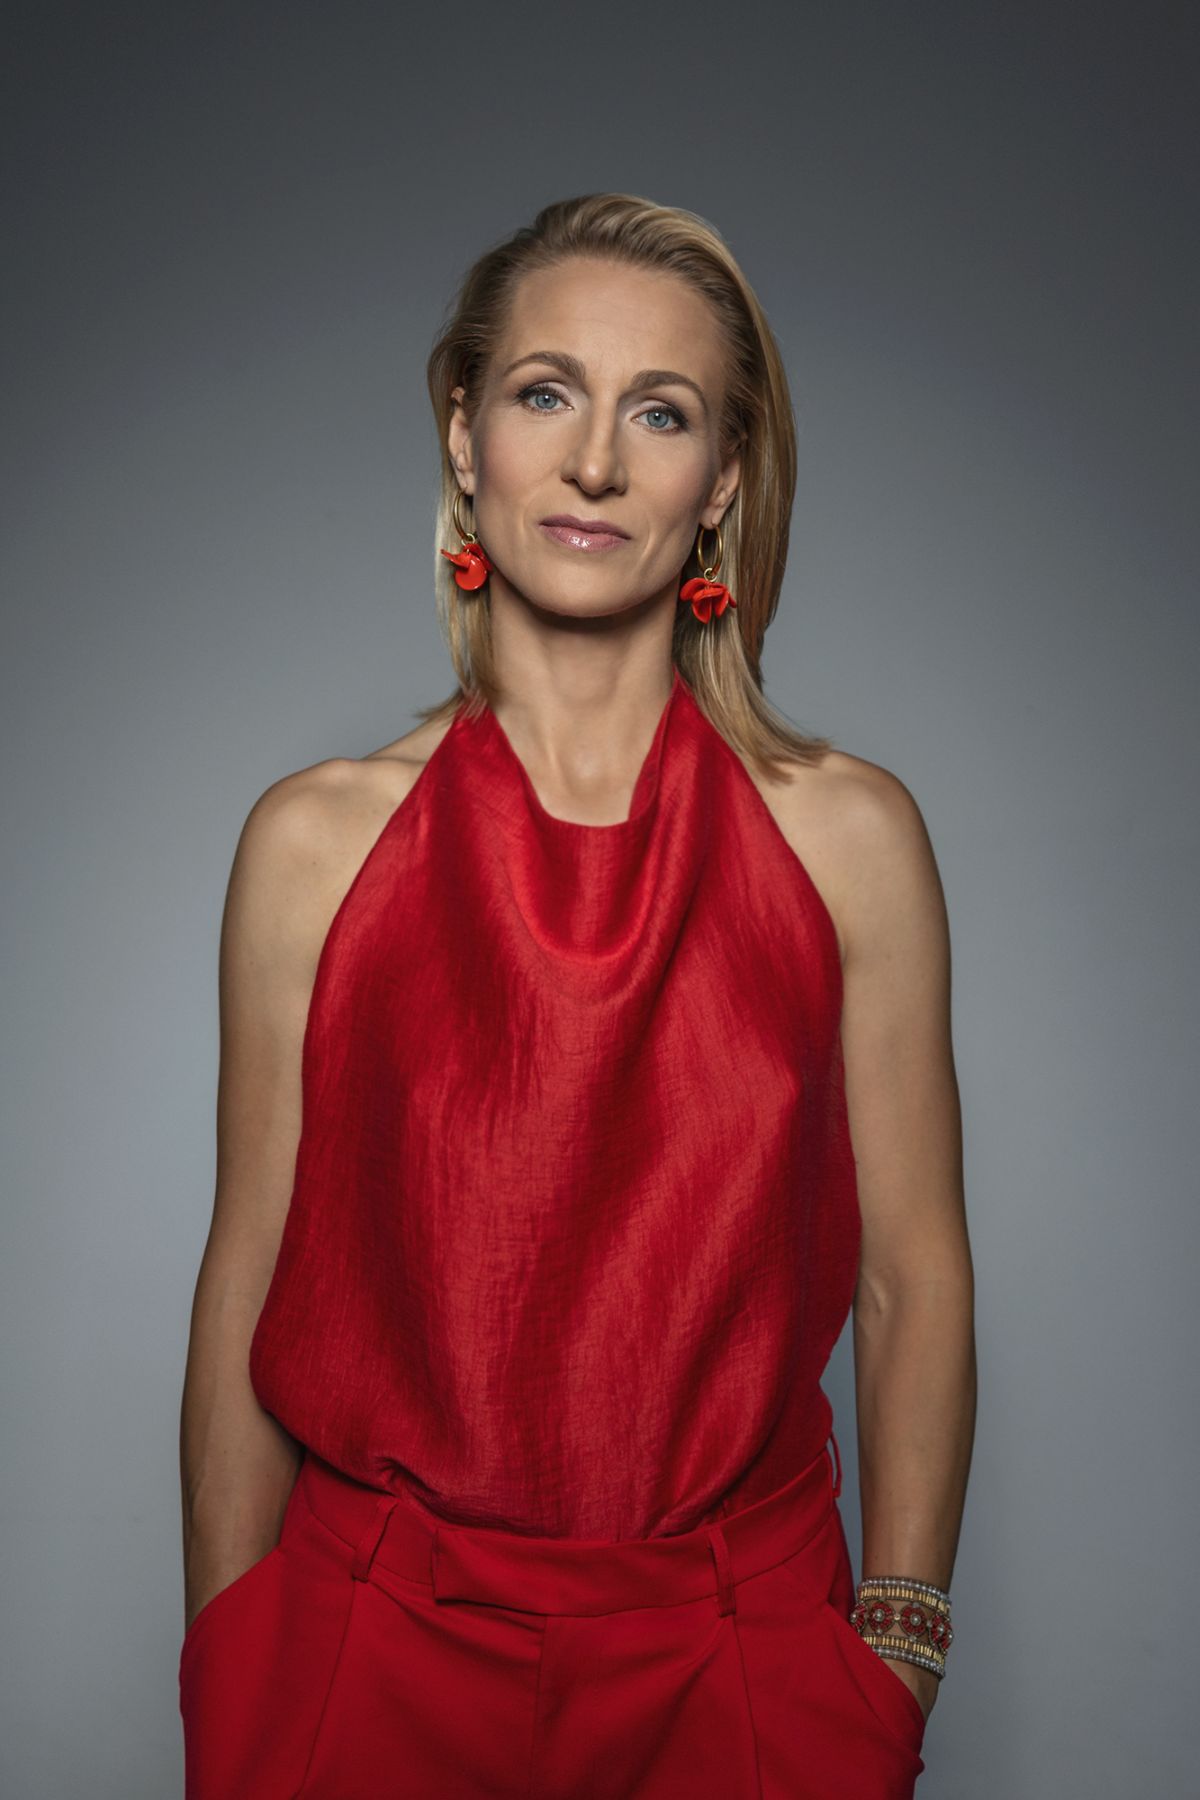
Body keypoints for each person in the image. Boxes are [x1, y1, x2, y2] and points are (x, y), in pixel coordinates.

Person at [177, 192, 976, 1799]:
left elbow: (912, 1277)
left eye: (660, 413)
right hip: (373, 1648)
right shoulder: (316, 844)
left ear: (723, 479)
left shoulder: (849, 840)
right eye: (546, 392)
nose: (596, 460)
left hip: (737, 1653)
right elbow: (250, 1275)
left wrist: (892, 1660)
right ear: (464, 432)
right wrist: (234, 1664)